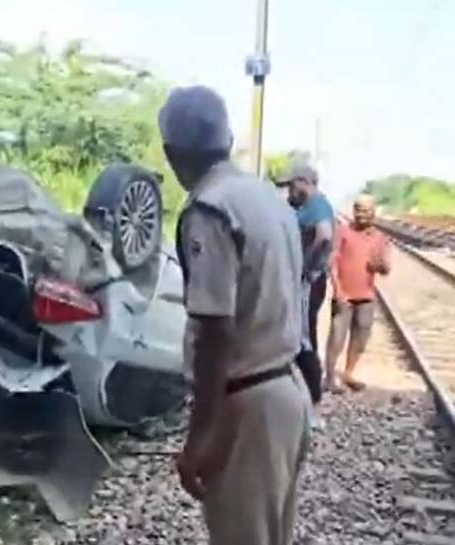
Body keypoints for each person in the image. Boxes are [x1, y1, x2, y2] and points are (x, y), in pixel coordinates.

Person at [161, 85, 310, 545]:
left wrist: (199, 438)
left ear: (171, 152)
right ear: (226, 140)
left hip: (249, 405)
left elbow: (215, 331)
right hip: (287, 389)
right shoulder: (265, 197)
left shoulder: (211, 208)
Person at [278, 162, 334, 417]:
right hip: (307, 279)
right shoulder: (306, 206)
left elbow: (325, 235)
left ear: (305, 182)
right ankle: (306, 392)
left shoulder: (318, 205)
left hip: (310, 280)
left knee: (304, 336)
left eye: (292, 184)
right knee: (302, 332)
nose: (290, 190)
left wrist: (305, 262)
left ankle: (312, 395)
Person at [324, 194, 391, 393]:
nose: (362, 214)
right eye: (358, 210)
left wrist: (380, 265)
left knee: (360, 337)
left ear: (373, 212)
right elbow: (332, 262)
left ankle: (348, 373)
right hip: (344, 295)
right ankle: (329, 377)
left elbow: (386, 269)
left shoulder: (379, 238)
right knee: (337, 337)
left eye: (366, 210)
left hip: (366, 296)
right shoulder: (343, 232)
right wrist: (338, 290)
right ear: (354, 211)